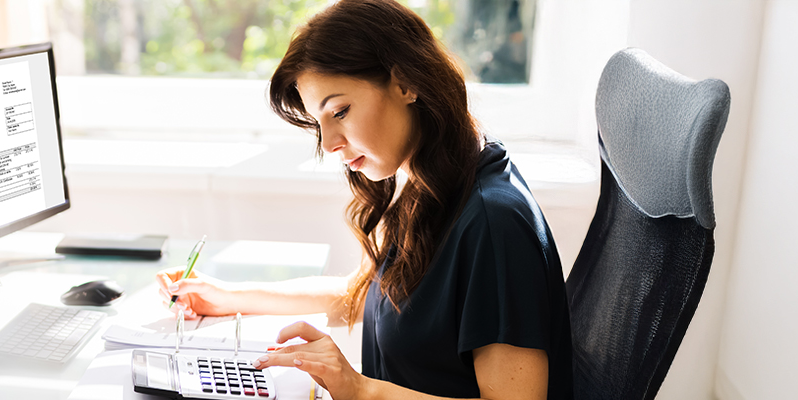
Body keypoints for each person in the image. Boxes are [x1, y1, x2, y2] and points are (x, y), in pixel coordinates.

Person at [155, 0, 573, 398]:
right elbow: (370, 295)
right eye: (318, 124)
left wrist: (358, 389)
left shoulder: (493, 224)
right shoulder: (432, 178)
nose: (330, 144)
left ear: (406, 83)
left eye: (339, 112)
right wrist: (228, 297)